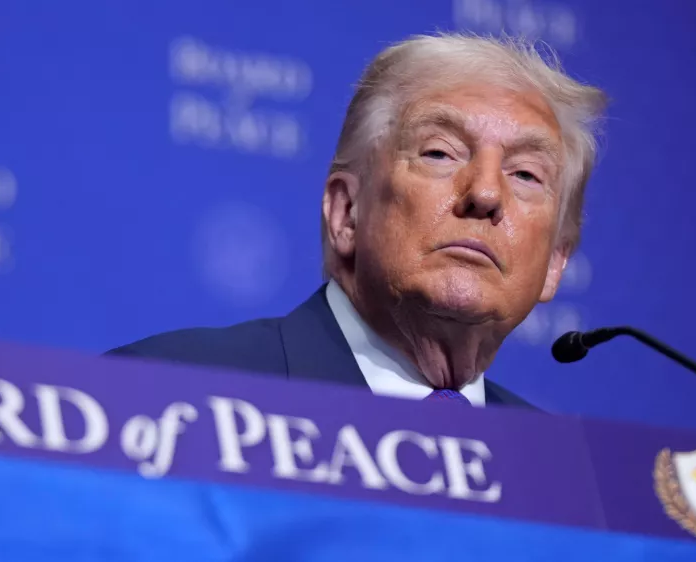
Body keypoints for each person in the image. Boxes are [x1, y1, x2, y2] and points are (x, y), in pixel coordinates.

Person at [108, 33, 607, 408]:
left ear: (555, 262)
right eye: (440, 153)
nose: (484, 193)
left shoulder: (569, 483)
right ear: (347, 211)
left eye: (525, 173)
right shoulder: (168, 391)